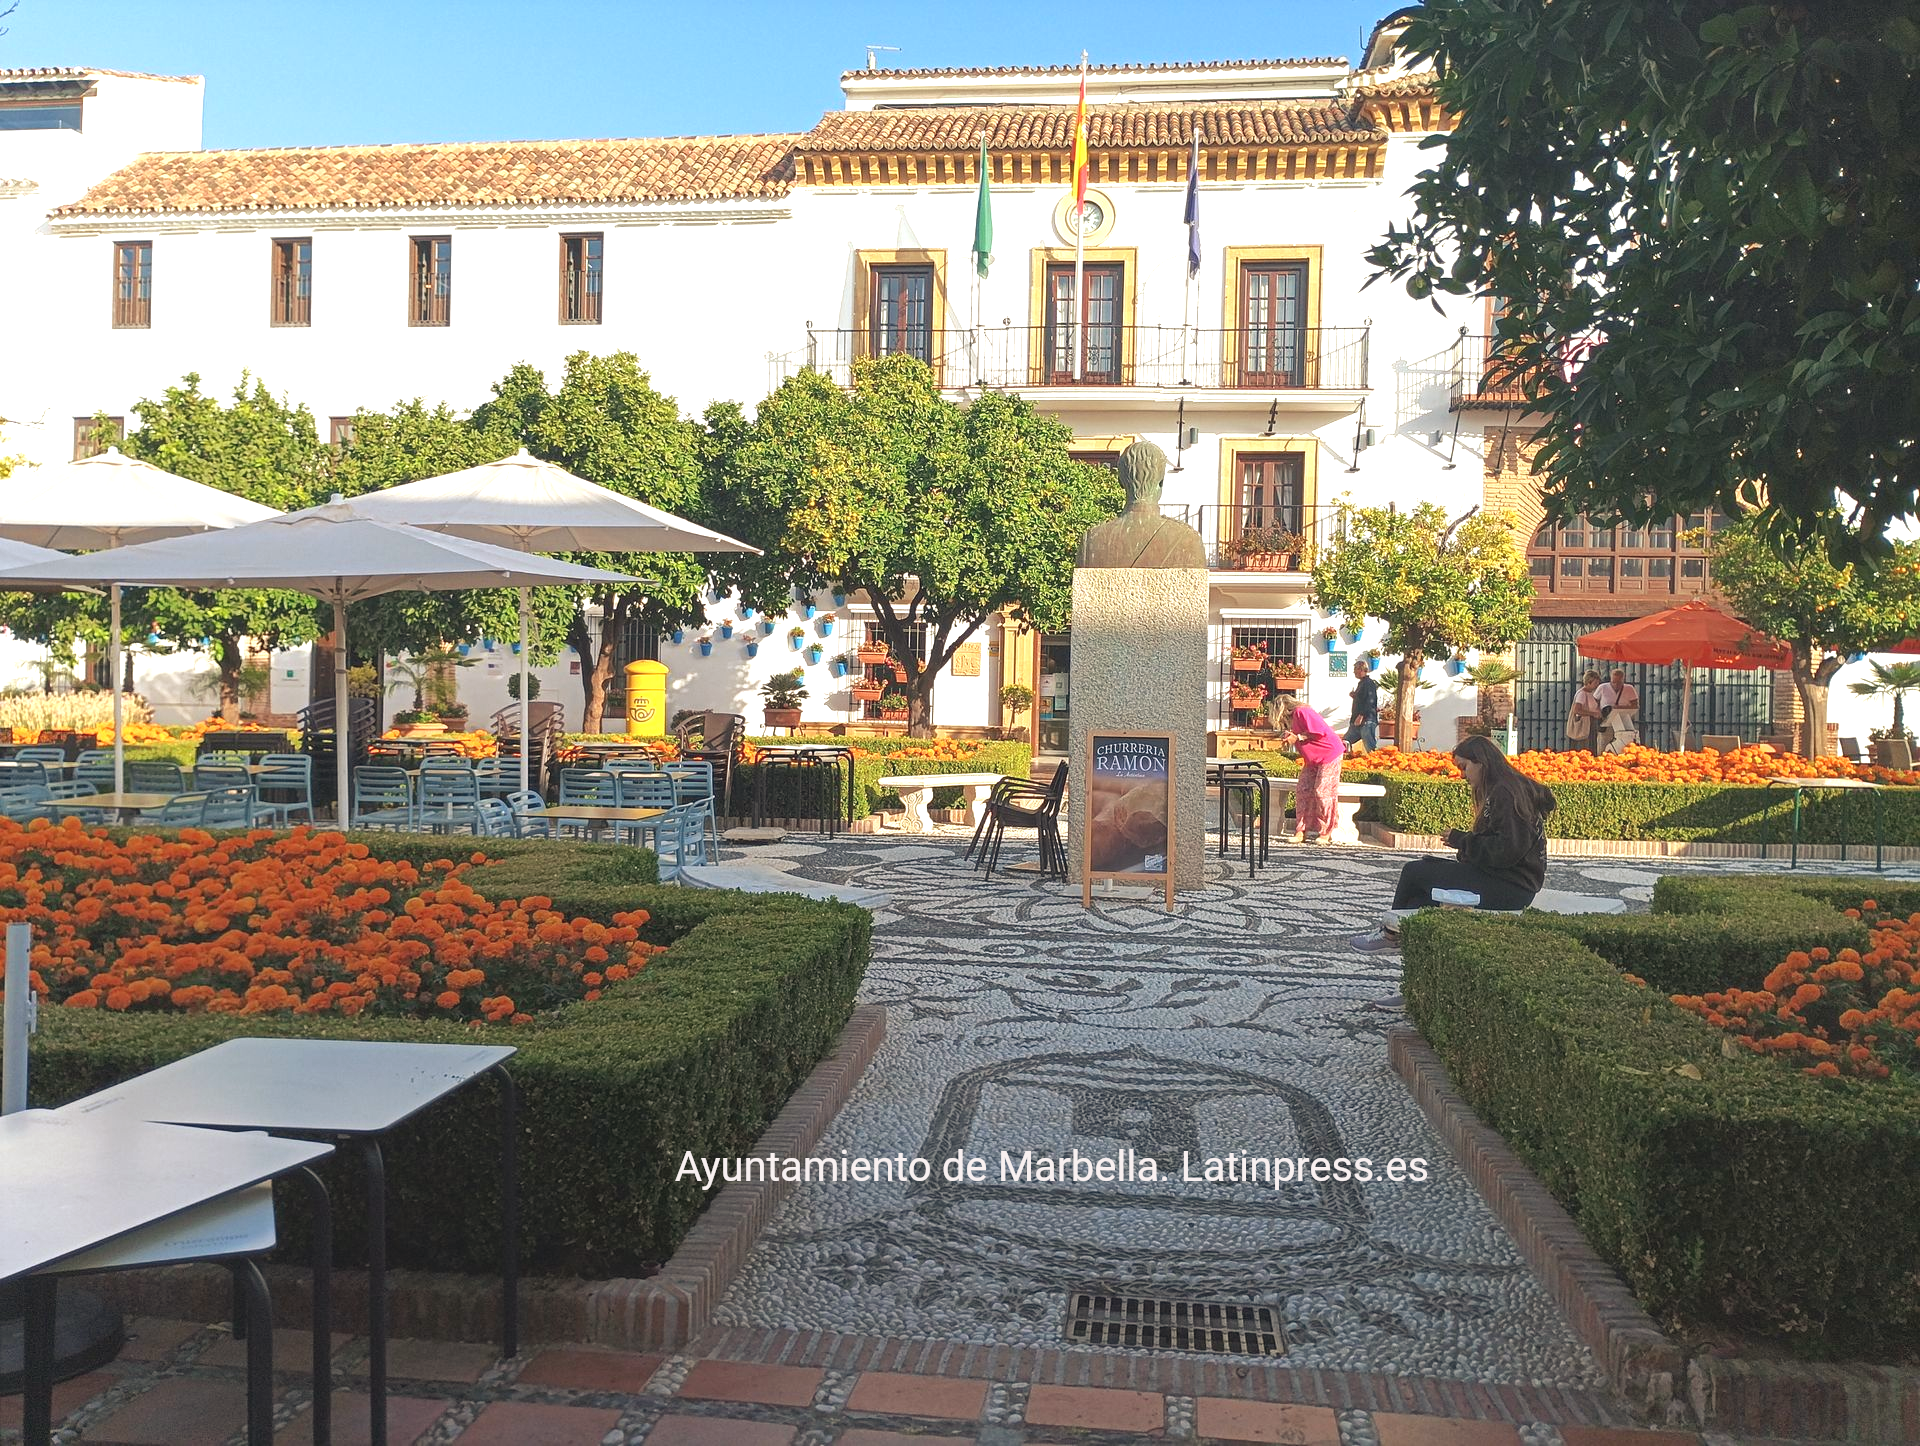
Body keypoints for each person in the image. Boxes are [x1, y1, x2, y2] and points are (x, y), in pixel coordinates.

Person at [1351, 735, 1556, 952]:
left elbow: (1506, 850)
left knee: (1414, 872)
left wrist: (1462, 840)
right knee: (1420, 897)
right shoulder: (1506, 788)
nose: (1462, 775)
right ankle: (1407, 944)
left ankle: (1390, 936)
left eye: (1464, 767)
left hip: (1510, 887)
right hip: (1508, 882)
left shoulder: (1506, 793)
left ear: (1481, 762)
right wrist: (1464, 846)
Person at [1274, 694, 1345, 843]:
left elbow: (1318, 732)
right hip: (1313, 759)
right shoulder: (1294, 719)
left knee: (1323, 792)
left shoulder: (1302, 712)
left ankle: (1326, 831)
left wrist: (1297, 737)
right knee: (1303, 790)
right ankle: (1301, 830)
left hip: (1329, 754)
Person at [1596, 668, 1640, 752]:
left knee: (1623, 747)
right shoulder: (1602, 687)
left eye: (1619, 682)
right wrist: (1599, 713)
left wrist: (1619, 708)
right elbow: (1595, 702)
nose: (1616, 685)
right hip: (1607, 723)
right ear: (1610, 679)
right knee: (1603, 746)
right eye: (1613, 682)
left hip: (1623, 723)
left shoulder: (1629, 688)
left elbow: (1635, 705)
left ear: (1623, 680)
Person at [1344, 658, 1379, 753]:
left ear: (1361, 669)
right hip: (1357, 721)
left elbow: (1370, 701)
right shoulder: (1362, 683)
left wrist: (1361, 716)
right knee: (1345, 742)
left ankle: (1375, 760)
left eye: (1355, 669)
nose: (1354, 672)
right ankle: (1348, 758)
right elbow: (1363, 699)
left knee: (1370, 746)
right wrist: (1355, 696)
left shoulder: (1368, 683)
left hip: (1365, 720)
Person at [1566, 670, 1604, 754]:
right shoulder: (1582, 694)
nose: (1597, 685)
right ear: (1588, 682)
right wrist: (1593, 713)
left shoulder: (1590, 693)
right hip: (1585, 725)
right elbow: (1577, 710)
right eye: (1595, 683)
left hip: (1591, 725)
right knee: (1585, 748)